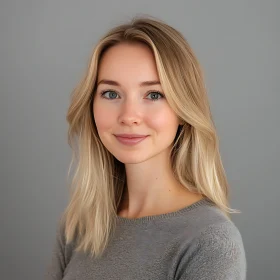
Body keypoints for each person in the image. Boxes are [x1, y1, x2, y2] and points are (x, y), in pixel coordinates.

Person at [45, 16, 247, 280]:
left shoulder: (211, 242)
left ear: (183, 110)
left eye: (153, 95)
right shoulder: (80, 226)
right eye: (111, 93)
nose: (129, 116)